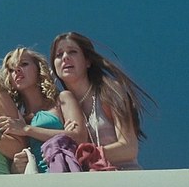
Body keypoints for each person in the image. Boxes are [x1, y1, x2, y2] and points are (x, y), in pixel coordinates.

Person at [50, 32, 154, 170]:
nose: (65, 57)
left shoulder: (109, 91)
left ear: (87, 61)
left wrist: (90, 155)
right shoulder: (59, 108)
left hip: (124, 176)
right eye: (59, 55)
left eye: (72, 52)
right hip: (88, 181)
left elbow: (129, 148)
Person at [0, 47, 86, 173]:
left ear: (39, 69)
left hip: (65, 175)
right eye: (11, 69)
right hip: (34, 181)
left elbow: (80, 137)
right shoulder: (16, 117)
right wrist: (15, 167)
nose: (17, 70)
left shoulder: (62, 100)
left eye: (24, 64)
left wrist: (26, 130)